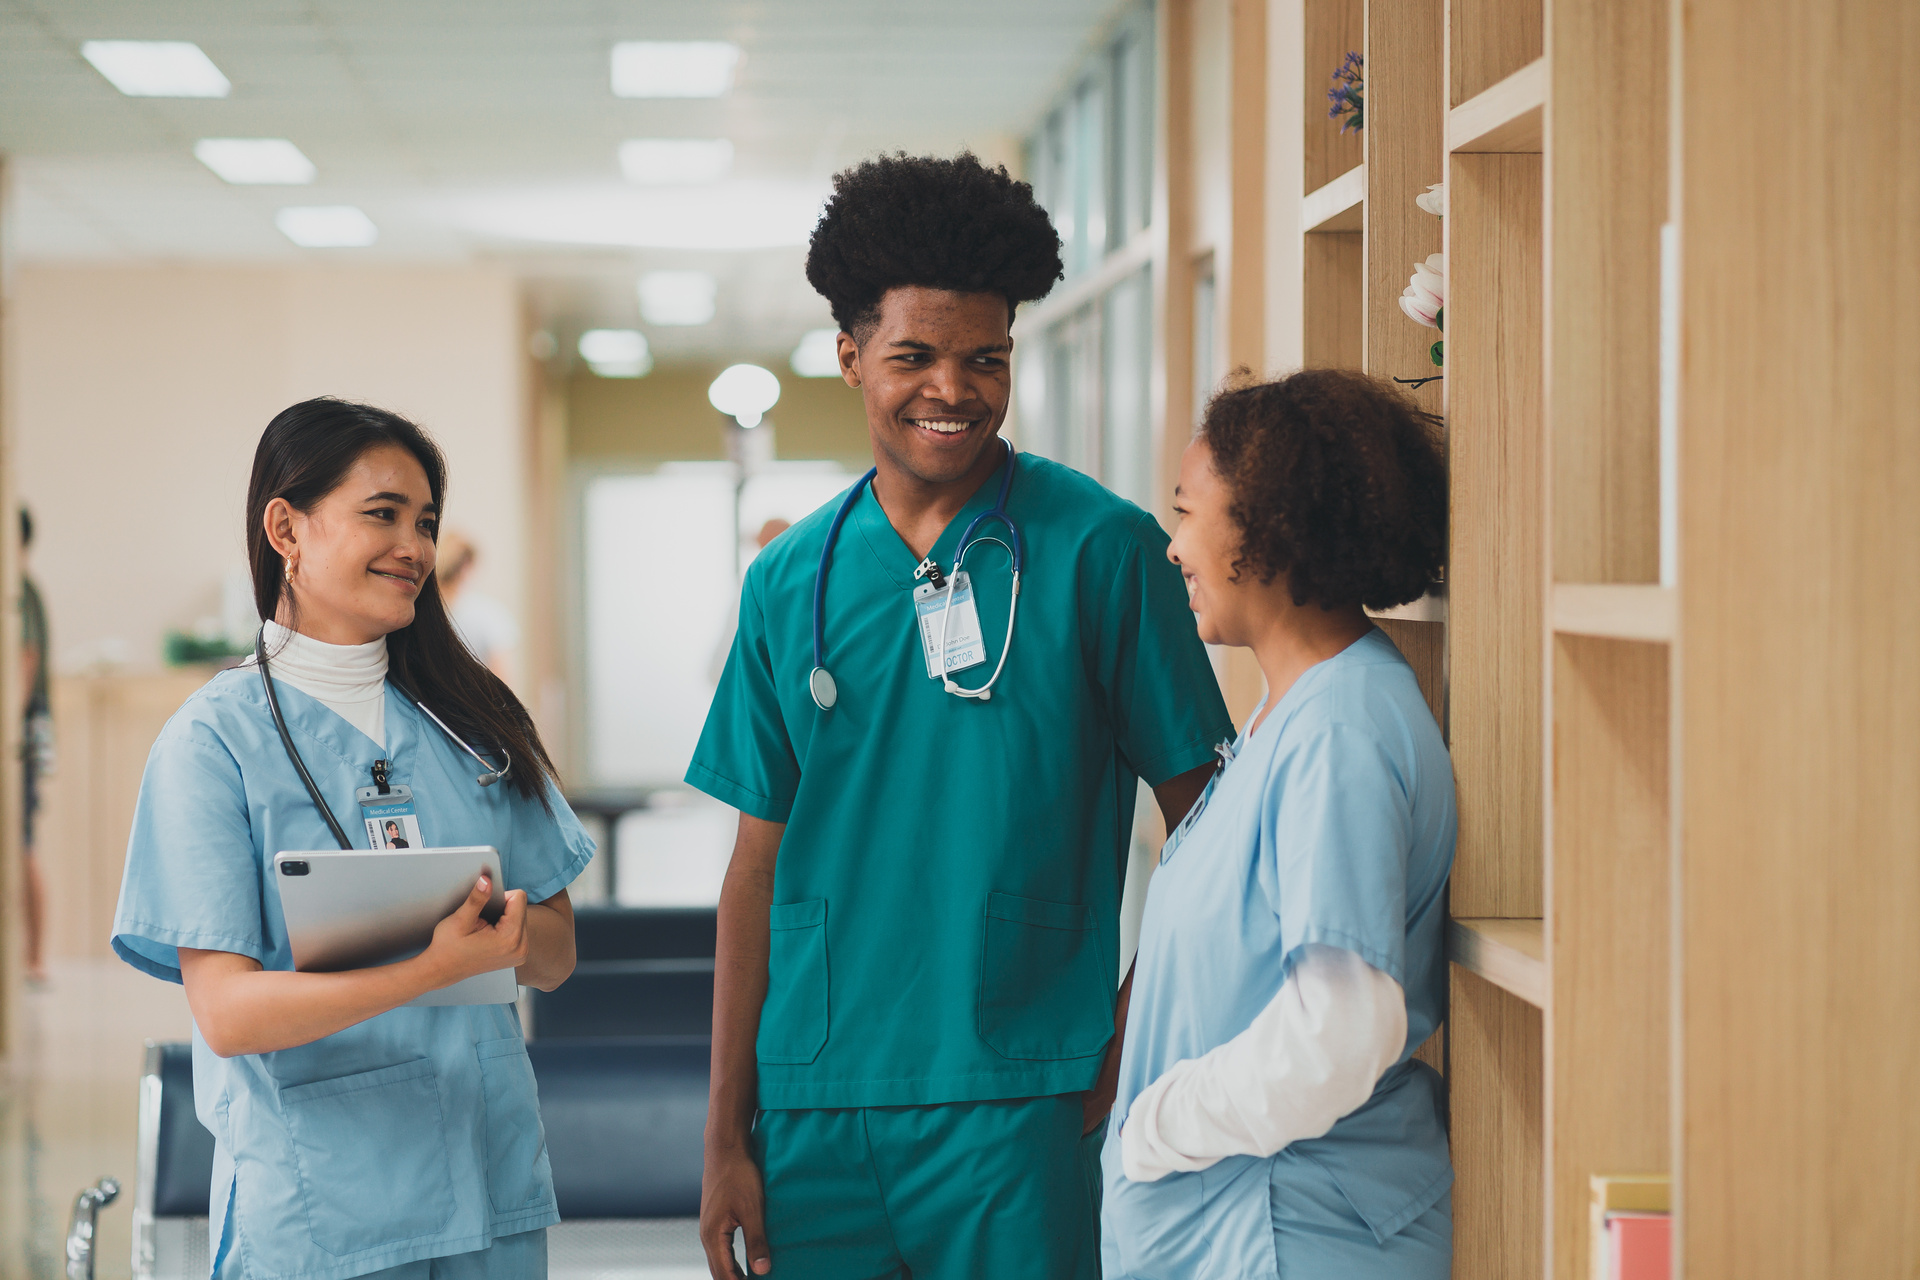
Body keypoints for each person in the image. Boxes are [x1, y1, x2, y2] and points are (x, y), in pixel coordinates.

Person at [691, 152, 1233, 1280]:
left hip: (1020, 1098)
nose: (954, 388)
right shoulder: (789, 581)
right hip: (819, 1101)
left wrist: (1133, 1028)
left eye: (986, 358)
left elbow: (1215, 824)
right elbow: (755, 866)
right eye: (915, 356)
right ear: (851, 358)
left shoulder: (1101, 550)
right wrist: (724, 1134)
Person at [111, 398, 594, 1280]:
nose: (413, 544)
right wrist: (431, 967)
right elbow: (226, 1013)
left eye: (426, 522)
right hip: (320, 1209)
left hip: (489, 1188)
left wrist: (506, 939)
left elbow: (556, 956)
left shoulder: (472, 728)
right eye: (383, 514)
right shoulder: (212, 743)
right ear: (285, 529)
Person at [1102, 368, 1455, 1279]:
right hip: (1243, 1226)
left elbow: (1339, 1034)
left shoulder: (1339, 732)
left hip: (1290, 1232)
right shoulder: (1289, 716)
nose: (1174, 547)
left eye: (1188, 512)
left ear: (1272, 529)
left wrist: (1155, 1125)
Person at [19, 507, 53, 987]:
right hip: (31, 732)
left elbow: (24, 661)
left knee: (20, 842)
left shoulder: (18, 593)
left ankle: (34, 959)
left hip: (22, 737)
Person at [437, 530, 519, 681]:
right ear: (467, 566)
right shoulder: (491, 615)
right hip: (475, 703)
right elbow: (502, 681)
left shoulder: (419, 613)